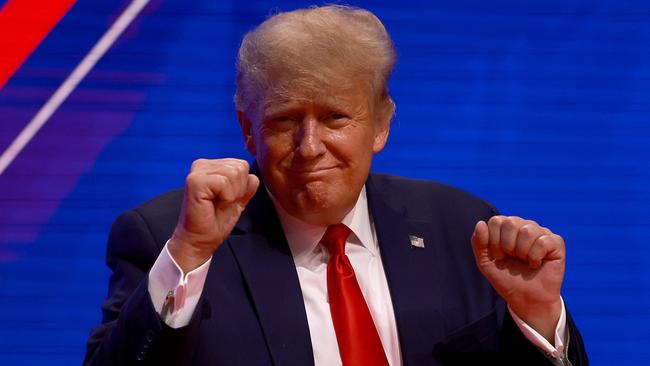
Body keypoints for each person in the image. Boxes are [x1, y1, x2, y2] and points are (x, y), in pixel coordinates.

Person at [84, 5, 588, 366]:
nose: (309, 147)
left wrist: (537, 317)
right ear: (246, 130)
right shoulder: (167, 238)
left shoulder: (459, 226)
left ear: (381, 125)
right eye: (284, 121)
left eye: (334, 118)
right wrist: (189, 254)